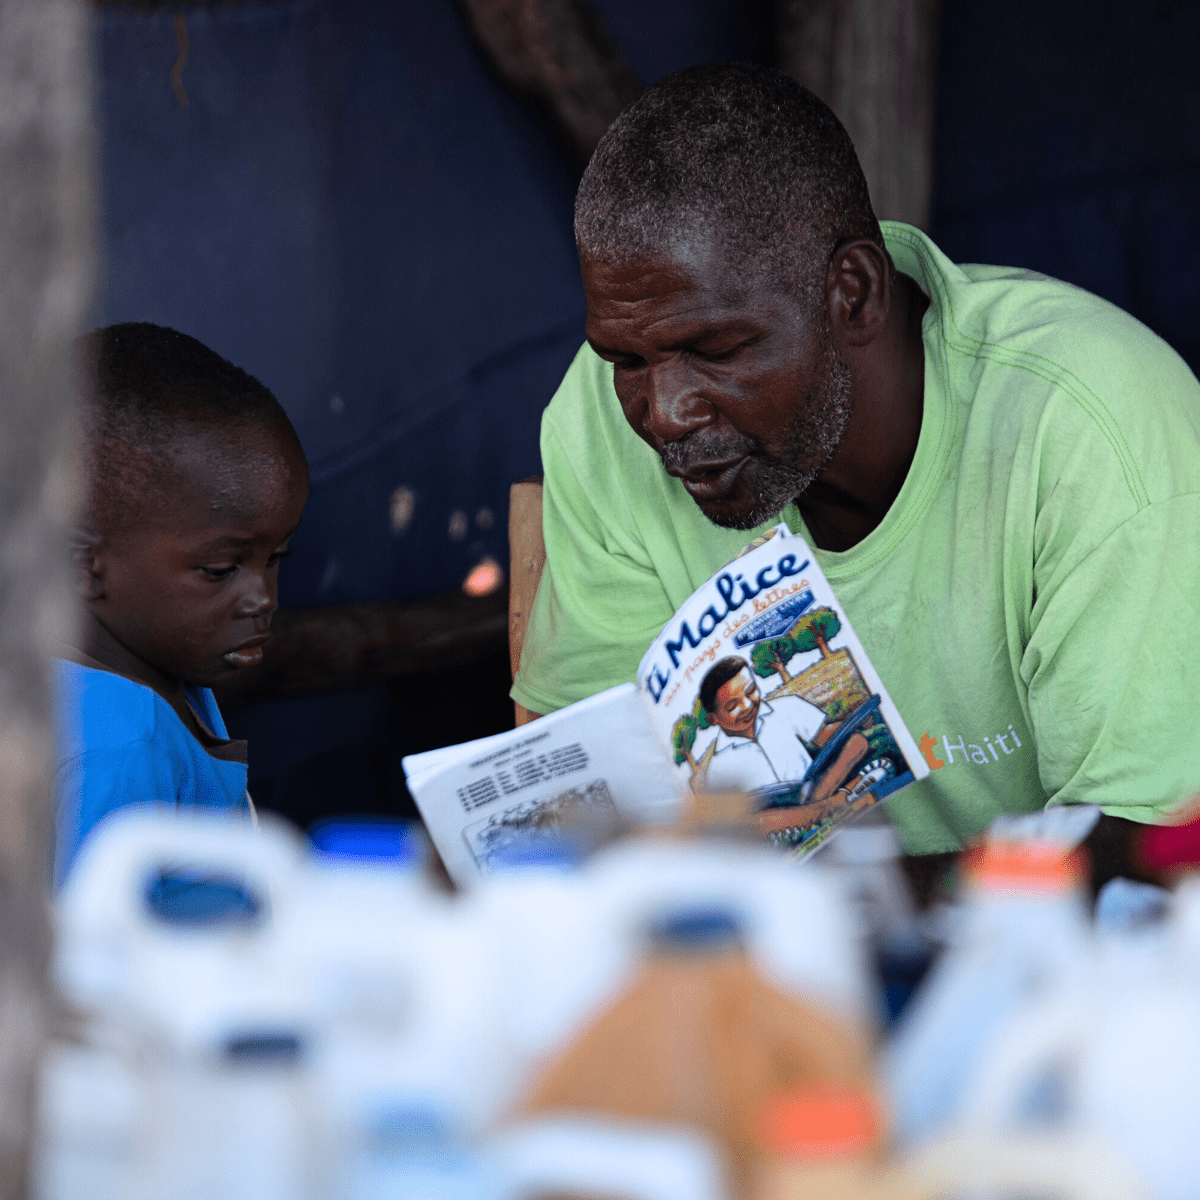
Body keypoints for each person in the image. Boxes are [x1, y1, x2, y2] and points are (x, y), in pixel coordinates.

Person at [511, 62, 1200, 858]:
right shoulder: (604, 412)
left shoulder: (1086, 429)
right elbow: (589, 796)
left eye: (716, 349)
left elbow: (1147, 859)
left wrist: (853, 901)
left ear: (855, 294)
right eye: (626, 361)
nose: (663, 412)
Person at [53, 322, 309, 884]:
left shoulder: (153, 667)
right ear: (86, 566)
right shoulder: (122, 752)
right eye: (220, 570)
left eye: (276, 558)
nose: (263, 597)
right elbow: (90, 934)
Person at [699, 656, 868, 802]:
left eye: (751, 691)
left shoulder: (786, 706)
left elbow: (825, 737)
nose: (748, 705)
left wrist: (854, 721)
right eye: (732, 706)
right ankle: (821, 807)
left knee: (857, 742)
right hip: (777, 816)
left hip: (817, 789)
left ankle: (818, 806)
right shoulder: (718, 768)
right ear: (714, 719)